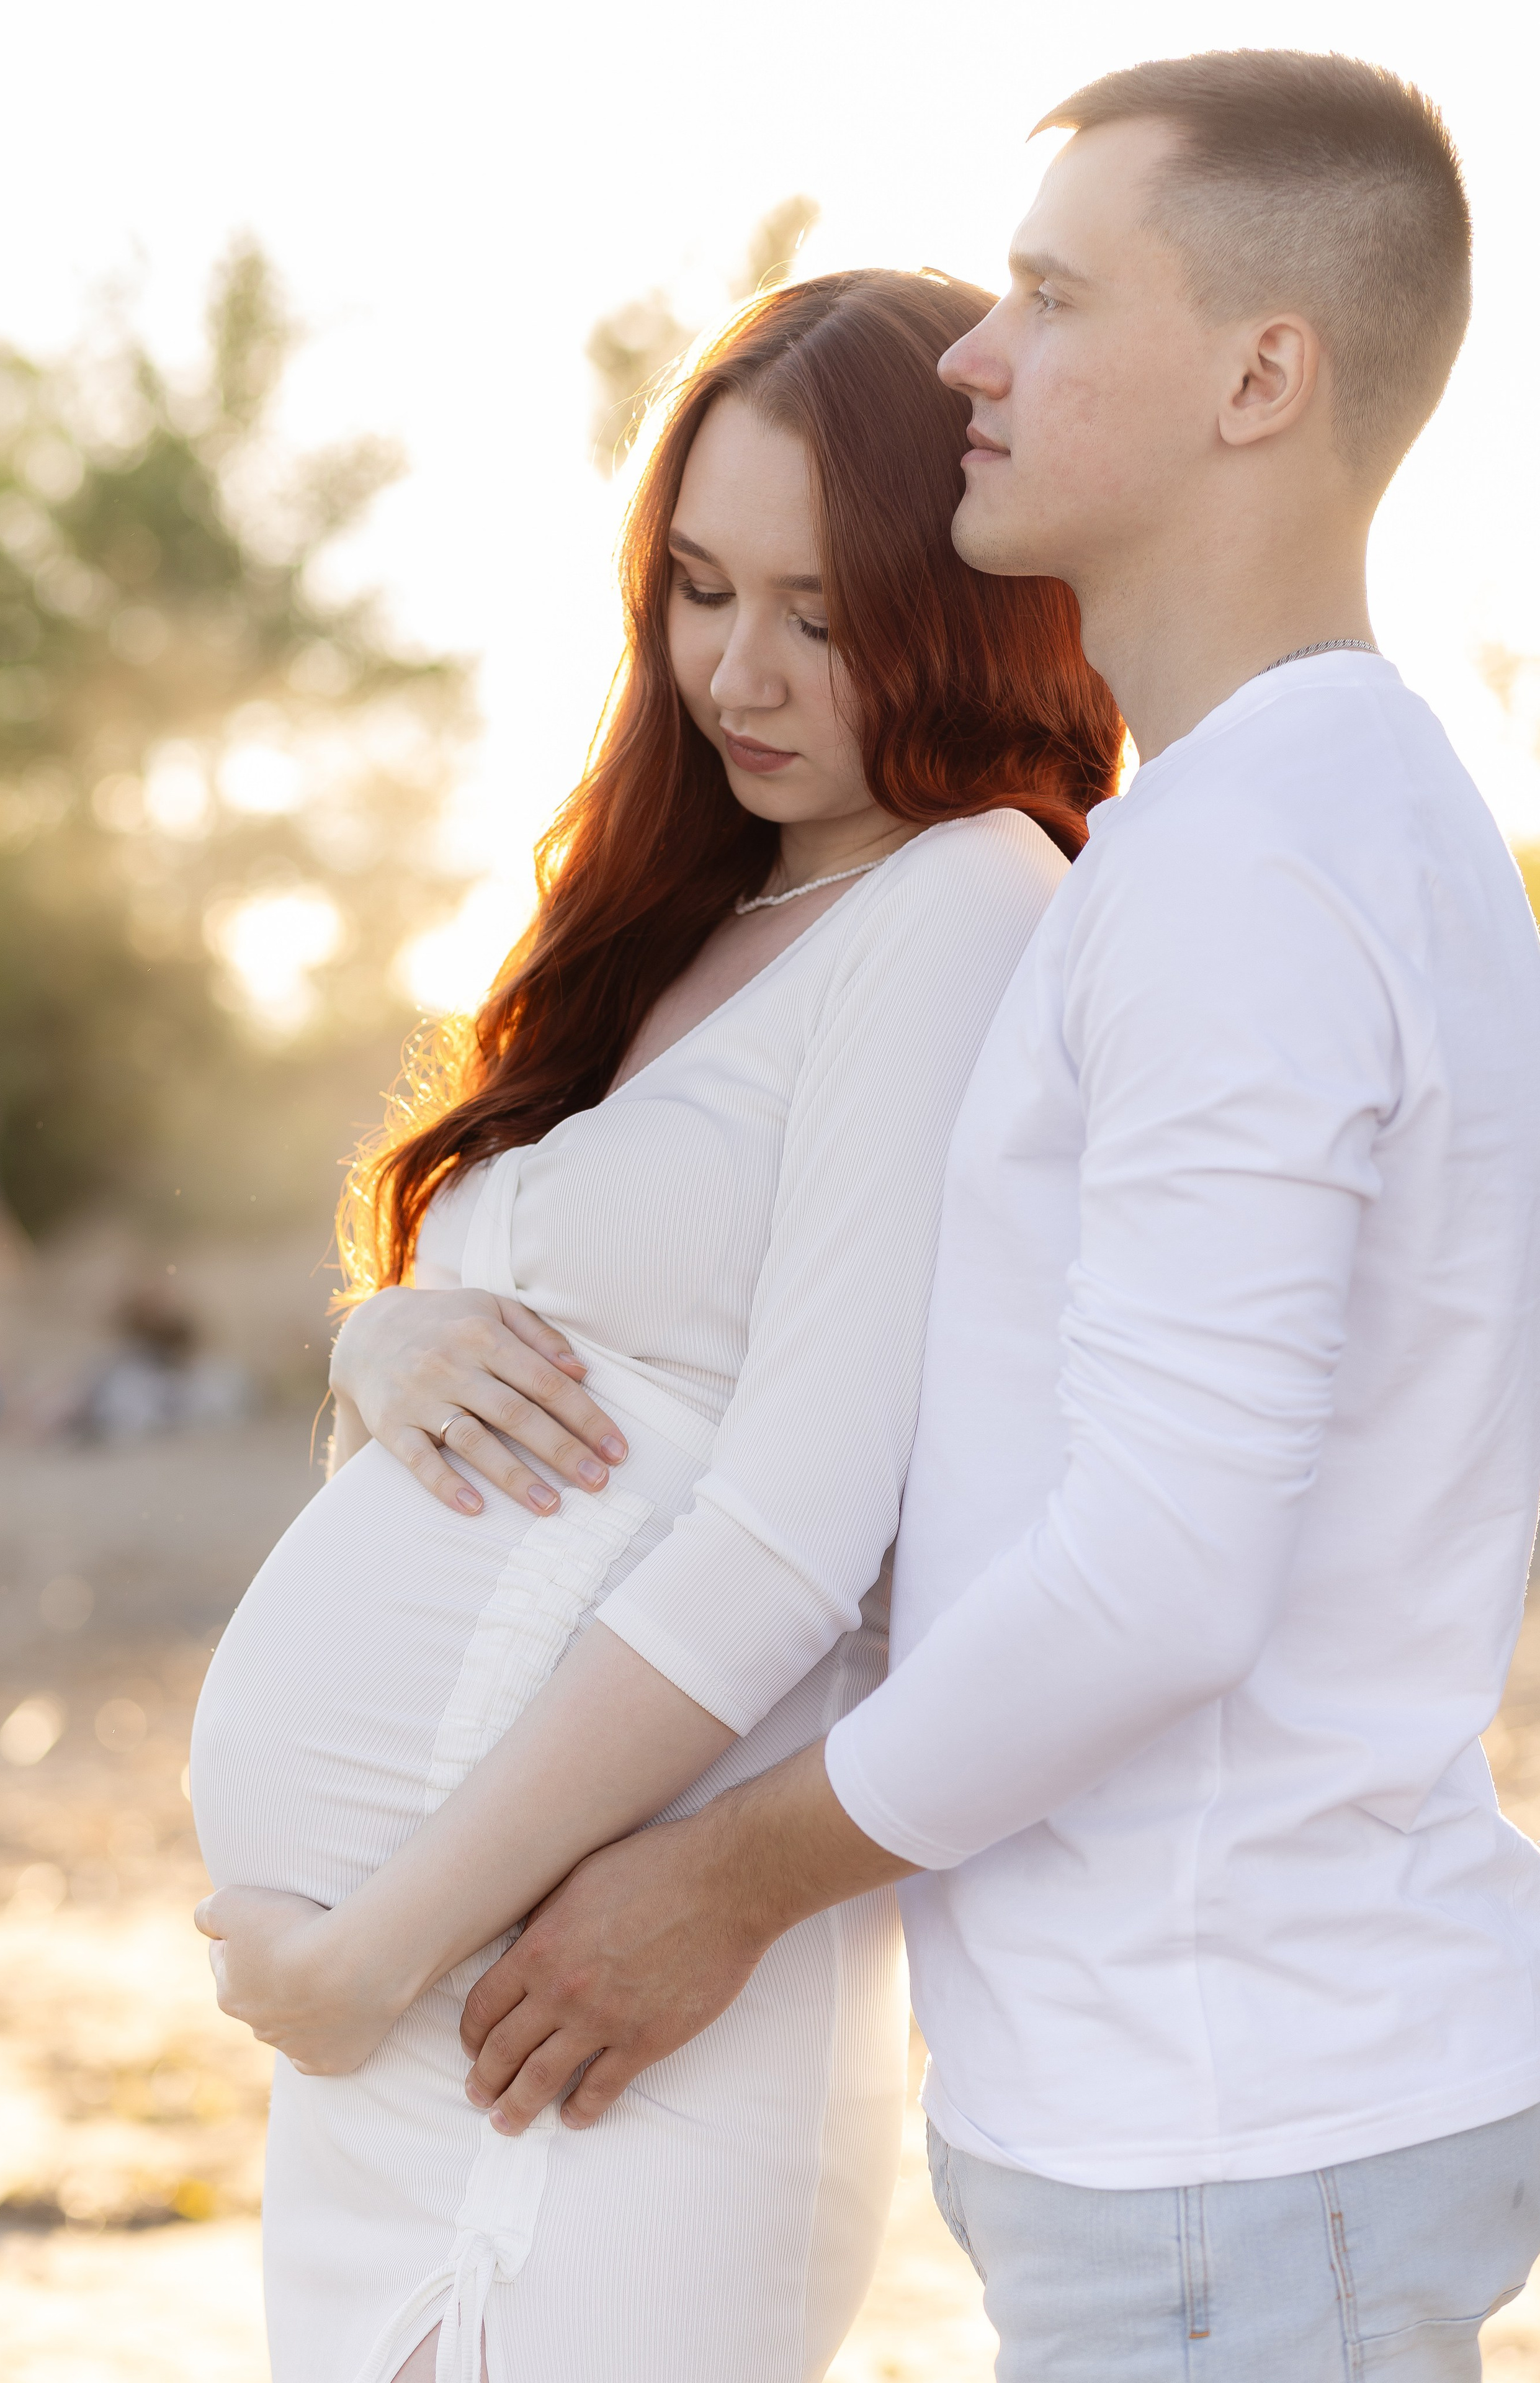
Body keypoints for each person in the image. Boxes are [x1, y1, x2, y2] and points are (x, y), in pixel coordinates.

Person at [450, 52, 1540, 2381]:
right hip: (1209, 2123)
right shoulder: (1280, 819)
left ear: (1266, 374)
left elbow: (1164, 1570)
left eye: (1049, 297)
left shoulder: (1254, 866)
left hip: (1242, 2134)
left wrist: (707, 1889)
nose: (973, 356)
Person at [188, 269, 1121, 2383]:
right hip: (413, 2012)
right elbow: (514, 1321)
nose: (739, 669)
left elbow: (803, 1524)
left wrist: (383, 1950)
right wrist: (379, 1346)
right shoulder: (697, 910)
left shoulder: (966, 894)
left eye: (820, 606)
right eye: (700, 587)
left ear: (969, 592)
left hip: (578, 2023)